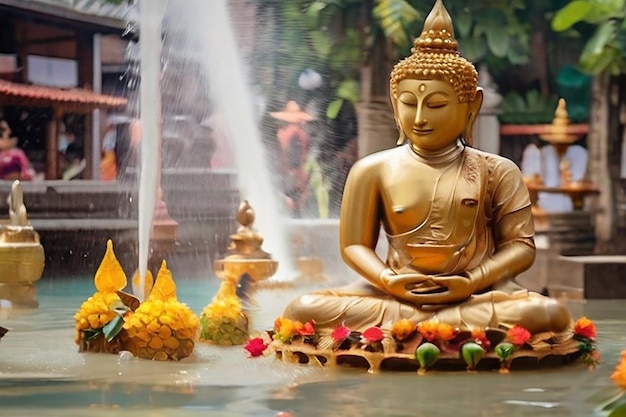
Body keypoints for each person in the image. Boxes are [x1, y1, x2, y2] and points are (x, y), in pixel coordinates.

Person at [282, 0, 572, 335]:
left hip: (474, 296)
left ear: (471, 106)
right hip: (396, 295)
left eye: (436, 105)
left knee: (546, 314)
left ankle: (418, 328)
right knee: (302, 310)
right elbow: (353, 246)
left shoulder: (497, 170)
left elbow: (521, 247)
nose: (420, 117)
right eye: (408, 103)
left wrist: (471, 281)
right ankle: (431, 326)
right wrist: (389, 280)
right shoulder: (372, 169)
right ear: (395, 104)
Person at [270, 101, 313, 218]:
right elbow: (294, 155)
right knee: (296, 203)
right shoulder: (297, 134)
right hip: (295, 173)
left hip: (288, 172)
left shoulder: (284, 133)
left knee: (291, 202)